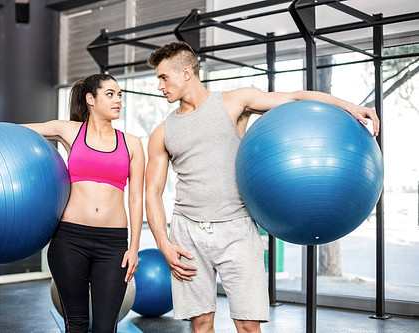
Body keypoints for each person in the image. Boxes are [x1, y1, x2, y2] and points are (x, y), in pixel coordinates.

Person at [144, 41, 379, 333]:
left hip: (237, 228)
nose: (159, 86)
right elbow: (151, 193)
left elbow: (294, 98)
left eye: (163, 77)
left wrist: (350, 107)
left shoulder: (233, 102)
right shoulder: (162, 132)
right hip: (187, 233)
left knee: (248, 325)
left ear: (187, 73)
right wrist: (164, 244)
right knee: (201, 324)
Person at [23, 74, 144, 333]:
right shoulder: (69, 130)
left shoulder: (132, 143)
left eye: (120, 95)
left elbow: (136, 197)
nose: (118, 100)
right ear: (91, 99)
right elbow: (19, 131)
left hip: (113, 245)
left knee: (104, 328)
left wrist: (134, 247)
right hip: (70, 240)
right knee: (76, 326)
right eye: (110, 94)